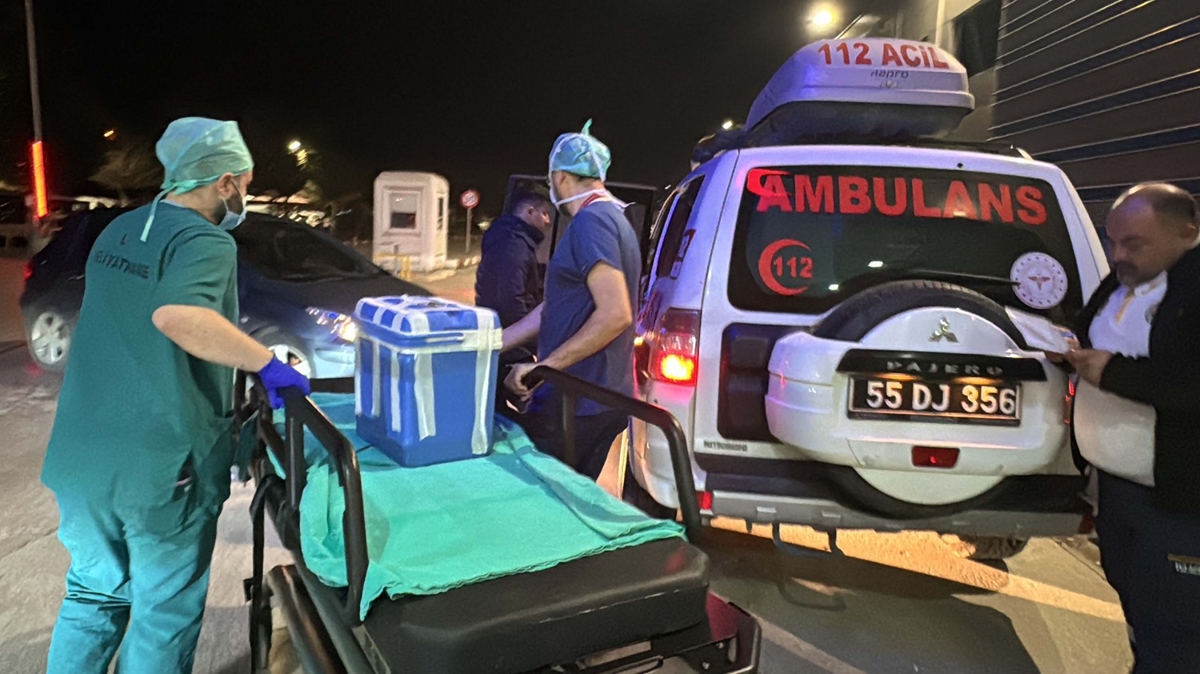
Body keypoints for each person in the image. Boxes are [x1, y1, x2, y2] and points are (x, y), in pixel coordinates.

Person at [40, 117, 310, 674]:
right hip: (161, 468)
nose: (244, 195)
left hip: (81, 457)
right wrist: (266, 364)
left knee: (93, 595)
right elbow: (178, 316)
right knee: (163, 613)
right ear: (225, 181)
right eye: (245, 183)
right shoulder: (204, 240)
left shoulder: (120, 230)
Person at [1064, 182, 1200, 672]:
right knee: (1140, 609)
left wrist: (1113, 373)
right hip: (1118, 488)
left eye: (1134, 243)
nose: (1118, 254)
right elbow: (1086, 330)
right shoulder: (1125, 280)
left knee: (1177, 628)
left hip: (1179, 501)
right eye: (1113, 240)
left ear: (1187, 232)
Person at [502, 121, 640, 480]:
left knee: (542, 498)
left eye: (551, 180)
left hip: (579, 401)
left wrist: (542, 369)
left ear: (561, 177)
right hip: (597, 398)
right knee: (569, 494)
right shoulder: (614, 219)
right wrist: (496, 342)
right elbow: (557, 306)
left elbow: (616, 314)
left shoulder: (591, 223)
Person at [476, 189, 553, 413]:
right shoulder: (512, 244)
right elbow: (508, 301)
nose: (548, 221)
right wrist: (535, 343)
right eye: (544, 213)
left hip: (505, 340)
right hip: (508, 344)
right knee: (537, 407)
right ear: (529, 212)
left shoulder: (516, 240)